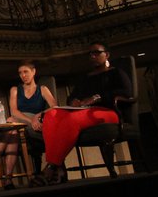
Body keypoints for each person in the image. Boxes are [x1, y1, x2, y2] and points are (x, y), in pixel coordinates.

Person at [31, 41, 131, 186]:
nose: (93, 56)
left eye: (96, 52)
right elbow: (72, 96)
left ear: (106, 55)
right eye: (90, 54)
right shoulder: (86, 77)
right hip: (83, 111)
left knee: (72, 119)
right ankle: (59, 168)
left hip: (108, 111)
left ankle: (51, 167)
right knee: (51, 115)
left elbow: (127, 93)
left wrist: (96, 98)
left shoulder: (116, 72)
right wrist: (74, 101)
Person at [0, 60, 57, 189]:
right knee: (12, 130)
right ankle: (8, 180)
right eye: (20, 73)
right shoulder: (15, 90)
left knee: (11, 122)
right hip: (22, 122)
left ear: (34, 72)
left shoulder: (42, 89)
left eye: (26, 72)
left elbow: (55, 107)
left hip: (35, 126)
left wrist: (38, 115)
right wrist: (30, 120)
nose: (23, 75)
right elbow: (14, 111)